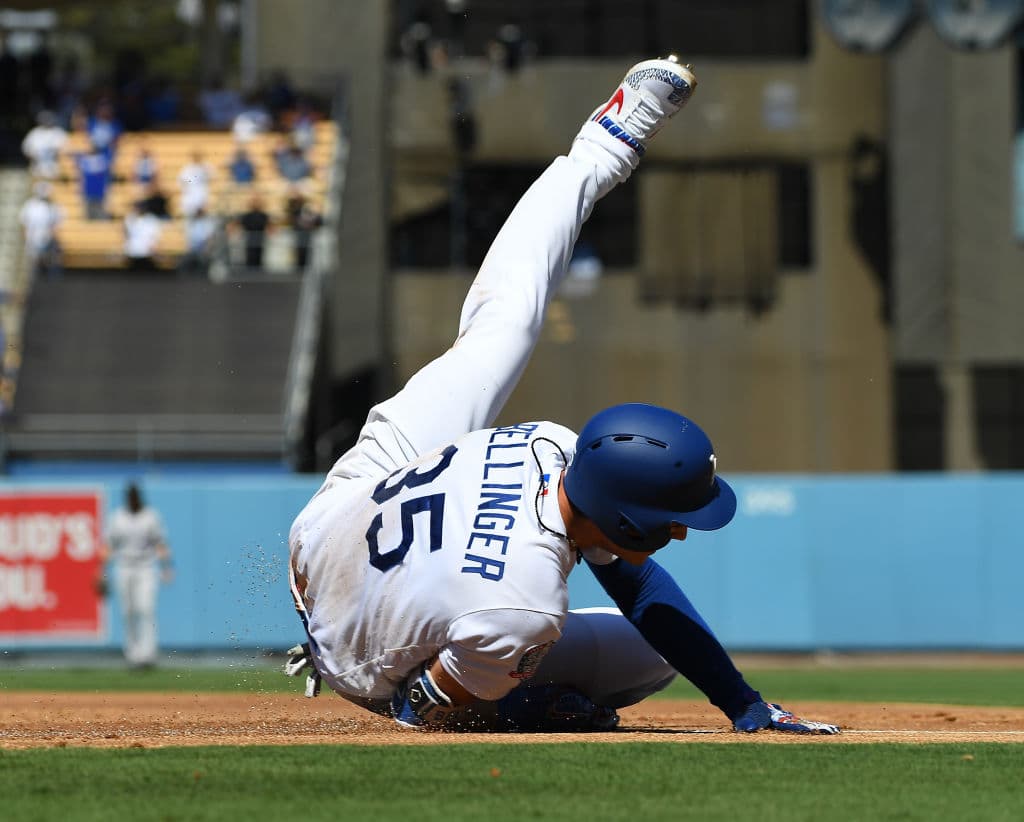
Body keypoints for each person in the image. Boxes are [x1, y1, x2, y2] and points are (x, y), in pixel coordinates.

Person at [285, 56, 840, 735]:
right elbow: (418, 708)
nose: (677, 531)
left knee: (502, 331)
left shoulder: (552, 447)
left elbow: (634, 581)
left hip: (338, 514)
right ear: (626, 519)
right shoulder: (522, 603)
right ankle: (607, 146)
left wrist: (742, 703)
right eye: (670, 518)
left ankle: (601, 148)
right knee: (615, 658)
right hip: (359, 654)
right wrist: (530, 706)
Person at [100, 483, 173, 669]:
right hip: (124, 565)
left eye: (134, 496)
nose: (132, 499)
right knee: (128, 611)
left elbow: (160, 543)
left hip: (146, 566)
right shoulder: (118, 517)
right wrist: (101, 570)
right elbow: (109, 546)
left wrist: (166, 567)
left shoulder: (150, 516)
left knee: (146, 608)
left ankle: (148, 654)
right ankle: (133, 654)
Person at [19, 182, 64, 278]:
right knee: (33, 263)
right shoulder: (30, 205)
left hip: (47, 237)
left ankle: (52, 277)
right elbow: (24, 223)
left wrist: (50, 236)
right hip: (32, 237)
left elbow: (57, 224)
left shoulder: (53, 206)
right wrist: (27, 237)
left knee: (51, 259)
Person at [21, 110, 68, 180]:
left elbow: (67, 152)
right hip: (37, 171)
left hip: (56, 172)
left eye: (48, 118)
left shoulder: (59, 133)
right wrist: (35, 157)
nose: (46, 121)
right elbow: (26, 150)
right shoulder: (34, 133)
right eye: (44, 118)